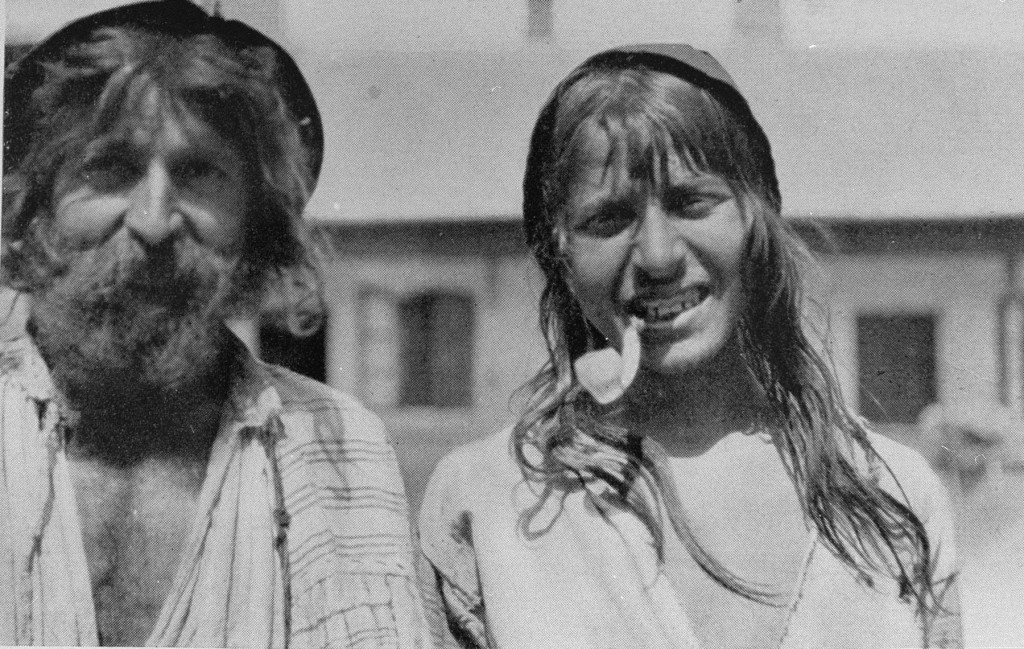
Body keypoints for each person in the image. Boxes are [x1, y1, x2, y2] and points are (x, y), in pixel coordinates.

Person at [419, 44, 963, 648]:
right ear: (561, 257)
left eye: (691, 203)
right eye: (607, 219)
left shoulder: (893, 497)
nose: (657, 257)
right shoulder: (485, 505)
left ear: (757, 223)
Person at [0, 1, 429, 646]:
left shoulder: (333, 447)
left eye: (198, 173)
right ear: (35, 211)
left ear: (258, 221)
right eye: (109, 169)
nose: (153, 222)